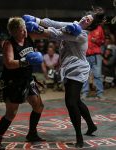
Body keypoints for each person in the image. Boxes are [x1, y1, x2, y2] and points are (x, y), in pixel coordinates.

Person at [22, 10, 105, 148]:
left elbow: (57, 34)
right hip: (68, 69)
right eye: (86, 16)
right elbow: (55, 23)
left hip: (78, 70)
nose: (85, 19)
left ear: (89, 26)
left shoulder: (82, 35)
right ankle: (91, 126)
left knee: (71, 102)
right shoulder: (73, 24)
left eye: (88, 20)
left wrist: (39, 29)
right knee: (77, 101)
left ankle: (79, 138)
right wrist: (37, 20)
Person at [0, 17, 46, 150]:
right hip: (13, 82)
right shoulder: (9, 44)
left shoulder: (29, 37)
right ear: (14, 31)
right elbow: (9, 63)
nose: (24, 32)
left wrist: (59, 30)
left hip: (28, 79)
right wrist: (27, 61)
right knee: (11, 113)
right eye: (21, 30)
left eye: (24, 29)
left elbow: (47, 34)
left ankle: (32, 133)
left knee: (38, 106)